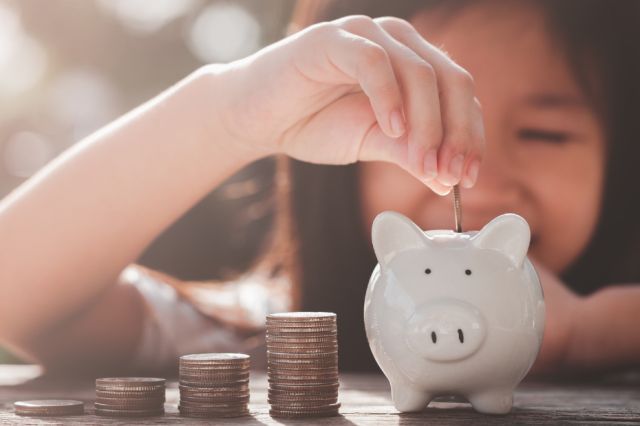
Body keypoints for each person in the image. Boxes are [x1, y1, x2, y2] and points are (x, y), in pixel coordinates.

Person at [0, 0, 639, 376]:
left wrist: (595, 333)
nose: (481, 176)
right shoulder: (263, 332)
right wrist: (231, 114)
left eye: (545, 133)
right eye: (417, 124)